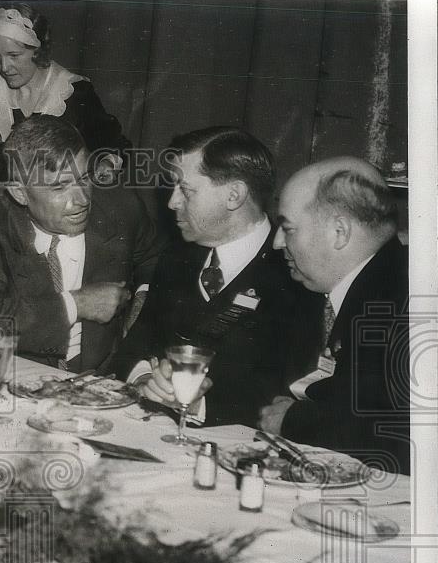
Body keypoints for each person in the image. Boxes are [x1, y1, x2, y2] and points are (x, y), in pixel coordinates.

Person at [106, 126, 317, 427]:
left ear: (234, 195)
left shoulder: (297, 276)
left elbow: (293, 392)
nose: (172, 202)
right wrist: (144, 379)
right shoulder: (176, 257)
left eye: (186, 189)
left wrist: (198, 404)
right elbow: (132, 348)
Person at [0, 115, 160, 372]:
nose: (81, 199)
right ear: (19, 192)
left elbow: (155, 259)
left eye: (84, 179)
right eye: (59, 187)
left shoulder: (121, 206)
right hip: (18, 375)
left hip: (104, 376)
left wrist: (143, 297)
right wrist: (77, 305)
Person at [258, 157, 410, 474]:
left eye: (287, 228)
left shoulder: (406, 302)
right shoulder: (359, 284)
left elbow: (402, 436)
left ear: (339, 232)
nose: (276, 243)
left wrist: (293, 419)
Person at [0, 4, 129, 174]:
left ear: (38, 50)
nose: (4, 67)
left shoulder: (74, 93)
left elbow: (114, 144)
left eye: (13, 55)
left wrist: (107, 163)